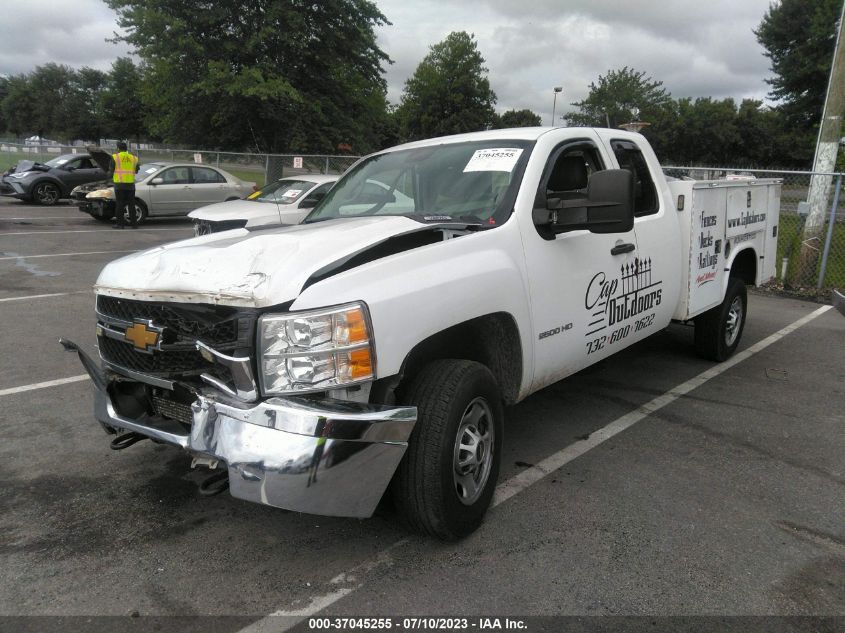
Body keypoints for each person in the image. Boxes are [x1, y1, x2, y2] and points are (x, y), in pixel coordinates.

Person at [108, 141, 140, 229]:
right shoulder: (134, 158)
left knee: (120, 204)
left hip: (119, 184)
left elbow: (111, 171)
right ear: (126, 149)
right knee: (131, 204)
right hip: (131, 185)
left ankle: (120, 224)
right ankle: (134, 224)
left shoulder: (115, 157)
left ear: (118, 148)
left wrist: (108, 176)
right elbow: (137, 170)